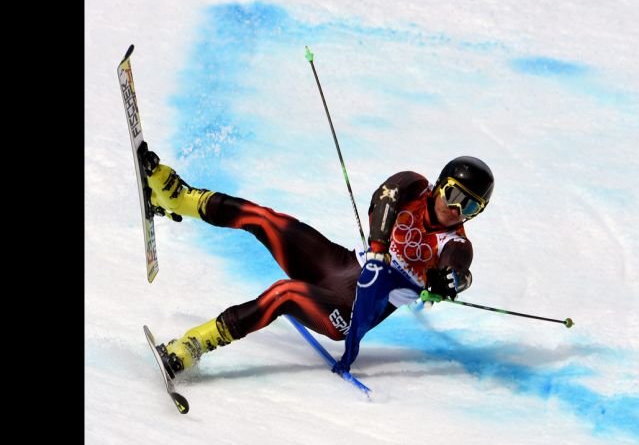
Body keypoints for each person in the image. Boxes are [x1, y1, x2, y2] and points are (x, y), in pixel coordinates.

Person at [145, 151, 494, 378]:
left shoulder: (456, 243)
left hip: (346, 309)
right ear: (439, 185)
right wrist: (377, 247)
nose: (458, 210)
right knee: (267, 220)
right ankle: (180, 199)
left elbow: (458, 268)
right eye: (455, 195)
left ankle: (193, 345)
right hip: (338, 265)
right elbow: (386, 196)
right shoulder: (415, 185)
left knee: (285, 294)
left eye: (472, 207)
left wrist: (451, 282)